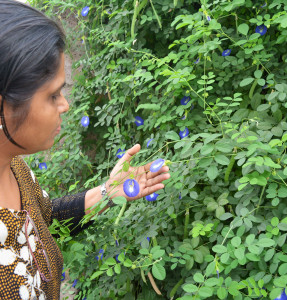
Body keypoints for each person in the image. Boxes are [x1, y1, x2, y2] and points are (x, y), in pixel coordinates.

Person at [0, 1, 170, 299]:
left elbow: (44, 220)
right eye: (53, 95)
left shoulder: (15, 168)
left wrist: (108, 192)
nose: (65, 105)